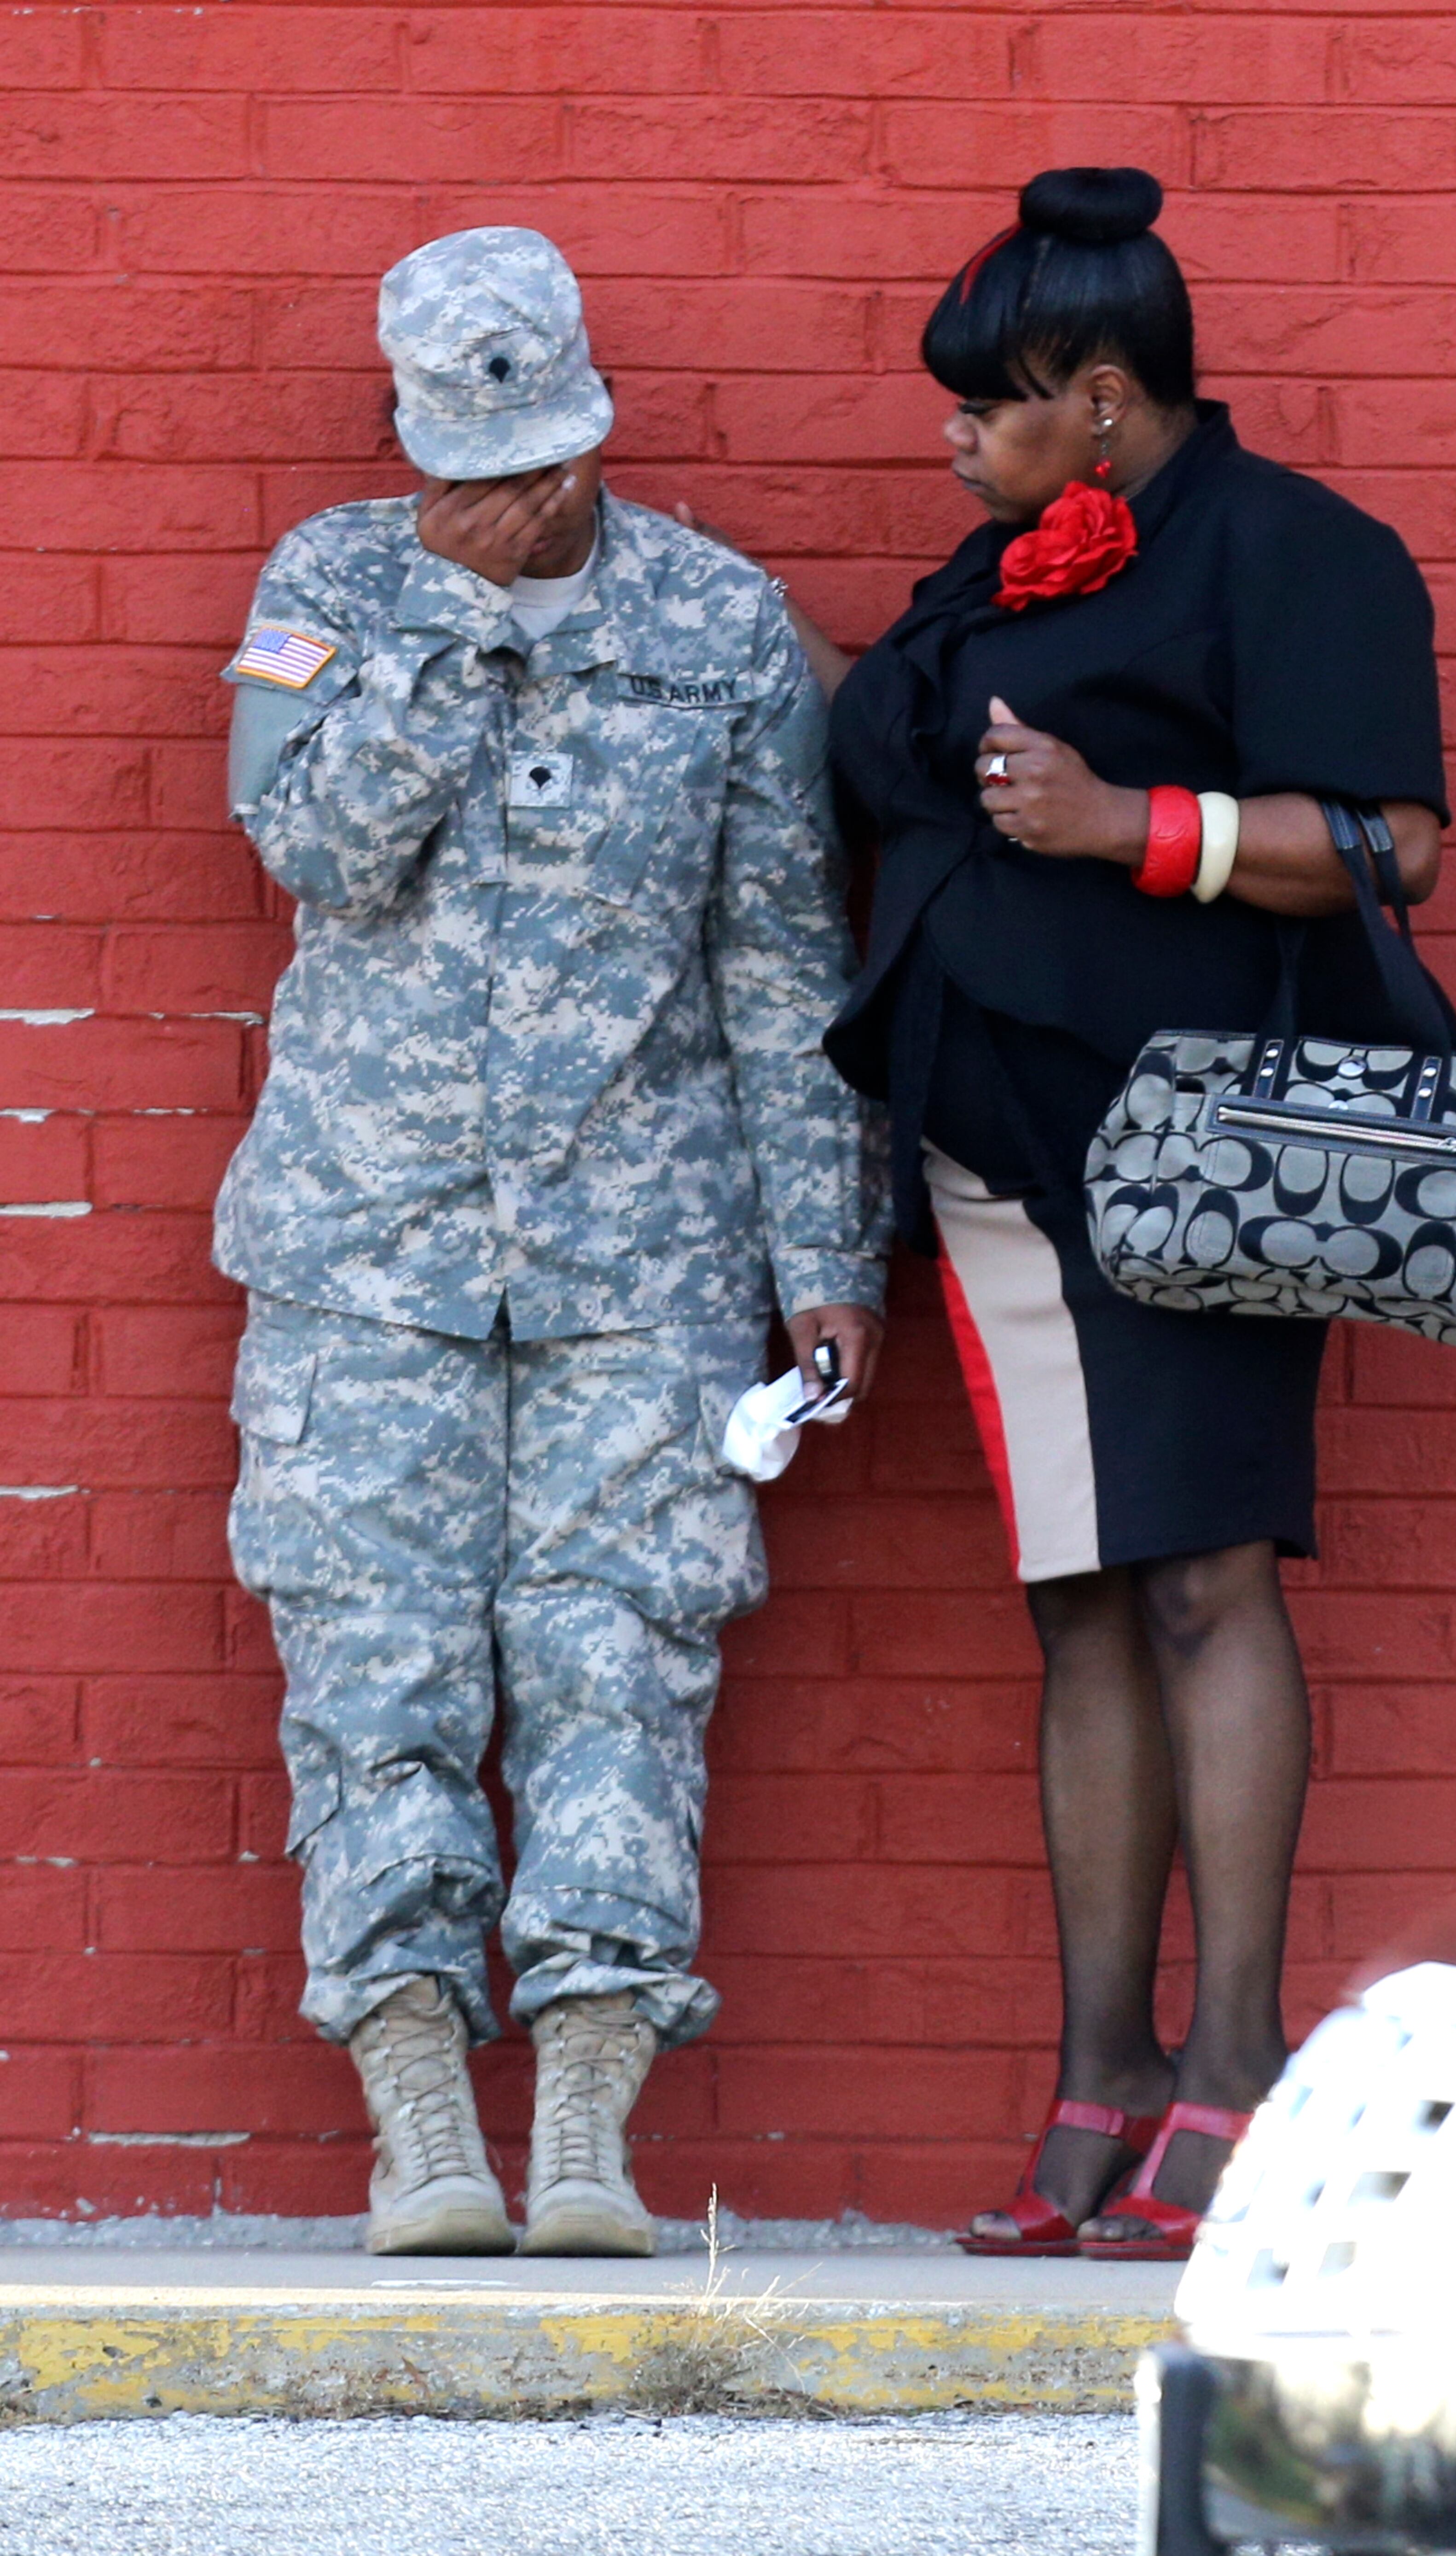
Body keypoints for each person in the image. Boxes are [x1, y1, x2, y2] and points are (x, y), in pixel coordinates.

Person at [746, 167, 1449, 2258]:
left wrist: (1139, 824)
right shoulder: (1001, 576)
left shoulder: (1302, 551)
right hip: (991, 1154)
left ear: (1110, 396)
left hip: (1199, 1148)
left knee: (1206, 1582)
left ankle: (1233, 2066)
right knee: (1082, 1598)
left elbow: (1391, 840)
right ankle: (1107, 2066)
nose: (957, 436)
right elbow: (874, 746)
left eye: (994, 403)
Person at [217, 226, 888, 2258]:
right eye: (459, 460)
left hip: (643, 1254)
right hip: (367, 1247)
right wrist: (444, 615)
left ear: (596, 412)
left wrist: (823, 1247)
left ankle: (588, 2106)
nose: (508, 489)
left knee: (623, 1661)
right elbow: (313, 847)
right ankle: (421, 2111)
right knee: (374, 1667)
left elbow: (783, 960)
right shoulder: (331, 585)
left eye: (536, 454)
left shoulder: (723, 624)